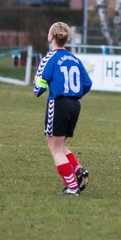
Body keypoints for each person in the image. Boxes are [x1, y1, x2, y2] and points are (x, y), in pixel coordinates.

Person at [33, 22, 93, 196]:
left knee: (55, 148)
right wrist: (75, 94)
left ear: (51, 36)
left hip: (58, 104)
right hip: (74, 105)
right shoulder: (74, 58)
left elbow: (39, 86)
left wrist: (38, 87)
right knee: (59, 144)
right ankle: (78, 169)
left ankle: (72, 186)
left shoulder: (49, 58)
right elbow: (87, 83)